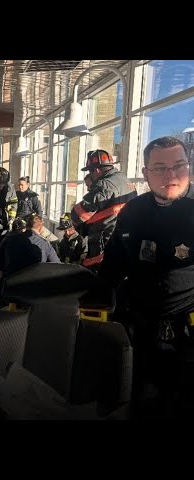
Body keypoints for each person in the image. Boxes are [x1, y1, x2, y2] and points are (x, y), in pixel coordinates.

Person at [96, 136, 194, 419]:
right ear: (145, 173)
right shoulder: (133, 212)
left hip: (187, 336)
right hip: (139, 328)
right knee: (136, 400)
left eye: (179, 165)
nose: (171, 175)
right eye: (160, 168)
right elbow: (114, 261)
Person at [71, 149, 137, 271]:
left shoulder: (104, 185)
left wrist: (76, 222)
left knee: (96, 273)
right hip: (123, 238)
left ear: (96, 170)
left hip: (104, 240)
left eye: (90, 172)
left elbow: (78, 214)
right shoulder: (126, 181)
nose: (91, 176)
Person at [0, 214, 60, 280]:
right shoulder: (45, 244)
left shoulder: (8, 239)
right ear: (41, 227)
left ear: (26, 226)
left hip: (10, 285)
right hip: (33, 285)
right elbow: (57, 267)